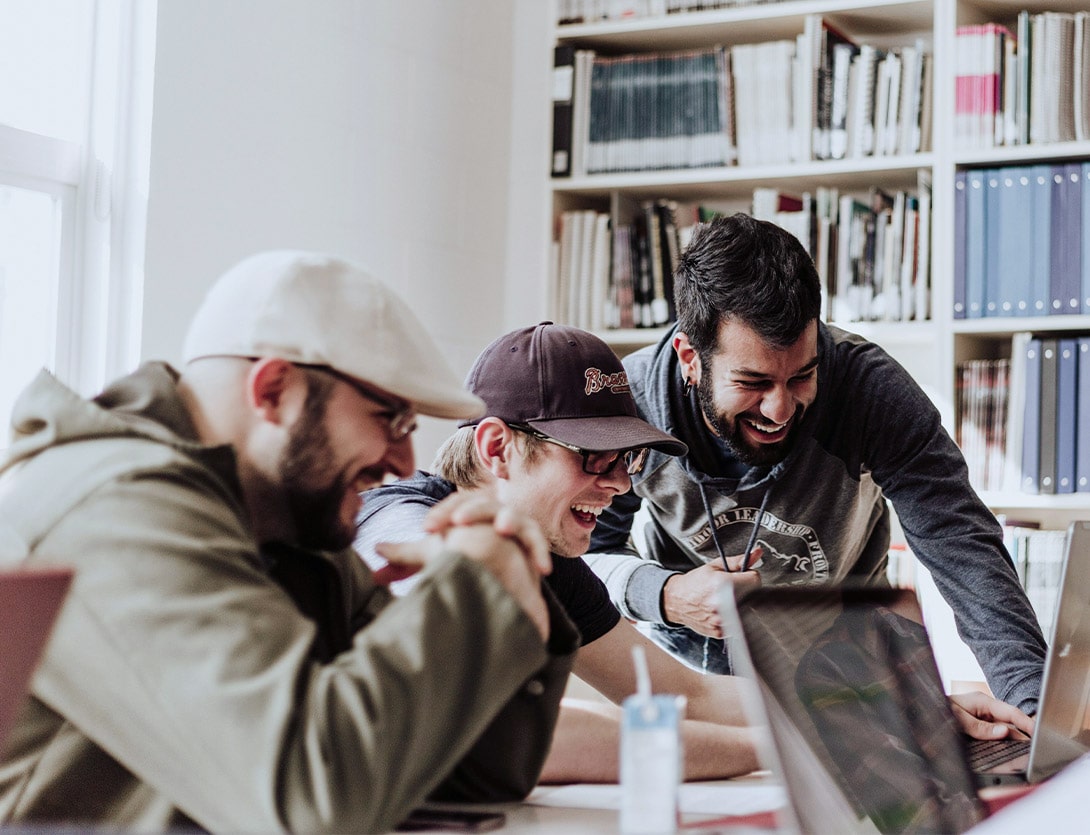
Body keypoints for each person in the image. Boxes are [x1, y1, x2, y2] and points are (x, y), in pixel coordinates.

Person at [0, 251, 580, 834]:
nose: (405, 462)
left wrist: (511, 587)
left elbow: (469, 776)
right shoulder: (119, 510)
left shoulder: (287, 521)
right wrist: (474, 586)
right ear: (274, 390)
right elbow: (311, 800)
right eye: (390, 420)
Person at [356, 322, 1026, 784]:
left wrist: (896, 709)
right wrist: (816, 745)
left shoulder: (548, 560)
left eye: (625, 460)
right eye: (593, 457)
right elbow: (511, 732)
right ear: (497, 447)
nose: (621, 485)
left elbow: (684, 692)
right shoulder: (403, 526)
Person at [584, 212, 1048, 720]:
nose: (780, 410)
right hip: (691, 679)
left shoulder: (870, 390)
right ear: (690, 357)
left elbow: (961, 545)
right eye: (753, 383)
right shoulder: (631, 407)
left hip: (848, 670)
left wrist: (1032, 706)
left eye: (802, 376)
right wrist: (666, 595)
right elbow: (583, 557)